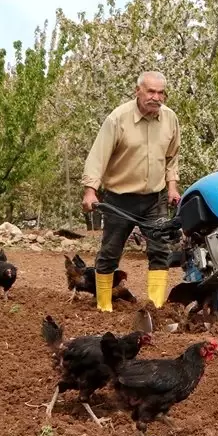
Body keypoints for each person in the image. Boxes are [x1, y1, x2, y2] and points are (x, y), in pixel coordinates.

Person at [81, 71, 182, 312]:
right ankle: (104, 305)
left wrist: (172, 186)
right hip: (119, 199)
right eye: (150, 91)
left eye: (160, 93)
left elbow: (172, 156)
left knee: (160, 250)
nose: (156, 97)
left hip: (154, 199)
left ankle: (155, 307)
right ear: (137, 91)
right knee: (110, 252)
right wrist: (90, 190)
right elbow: (98, 156)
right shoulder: (118, 119)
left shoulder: (170, 119)